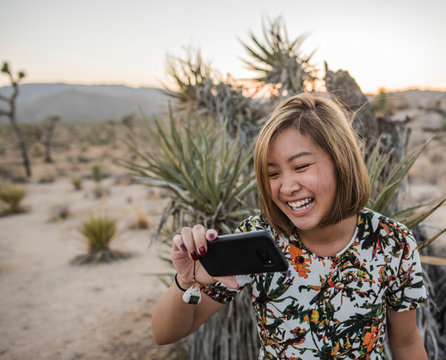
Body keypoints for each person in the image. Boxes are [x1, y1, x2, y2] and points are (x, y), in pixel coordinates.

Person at [152, 92, 428, 359]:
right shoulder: (258, 240)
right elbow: (165, 334)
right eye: (272, 174)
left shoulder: (392, 243)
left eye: (301, 166)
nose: (286, 187)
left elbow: (407, 343)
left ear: (341, 161)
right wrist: (186, 280)